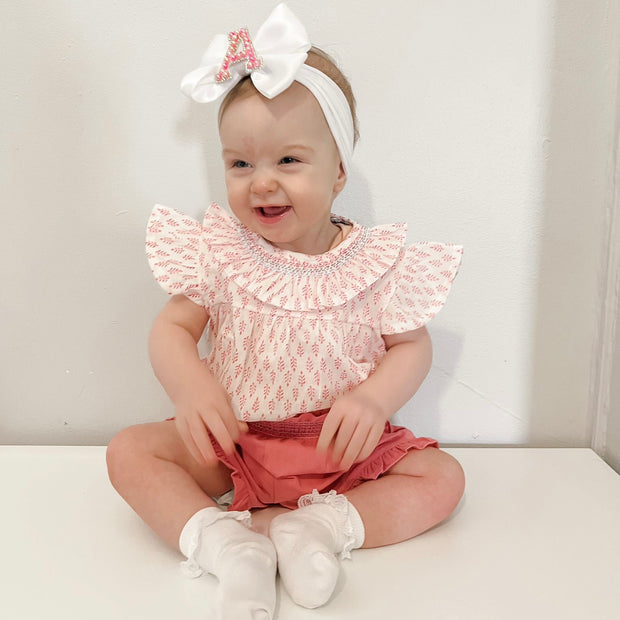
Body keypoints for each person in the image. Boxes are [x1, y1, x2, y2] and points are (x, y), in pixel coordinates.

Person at [106, 4, 465, 619]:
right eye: (240, 163)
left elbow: (413, 345)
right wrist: (188, 384)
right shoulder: (219, 252)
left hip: (340, 452)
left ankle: (320, 529)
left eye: (289, 161)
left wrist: (374, 401)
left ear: (338, 173)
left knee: (444, 478)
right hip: (236, 444)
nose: (261, 183)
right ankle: (226, 545)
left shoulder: (371, 263)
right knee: (130, 453)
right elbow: (173, 328)